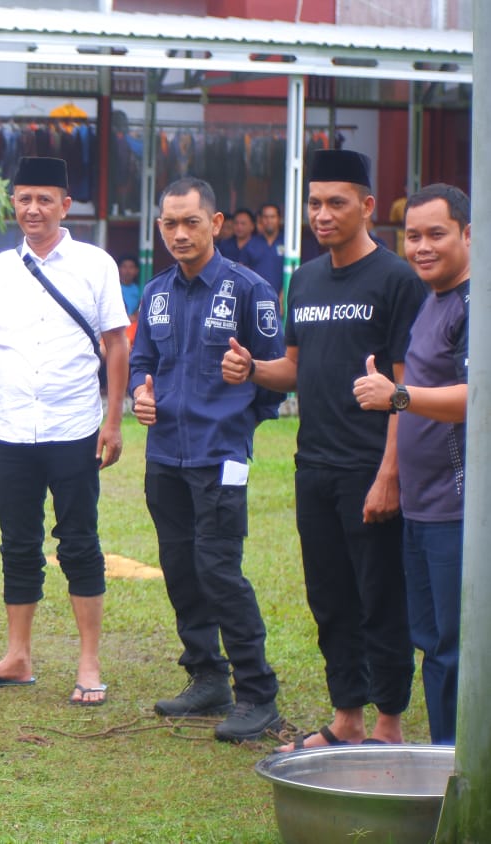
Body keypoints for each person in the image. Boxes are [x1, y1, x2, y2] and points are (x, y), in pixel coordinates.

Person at [222, 149, 425, 751]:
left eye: (337, 203)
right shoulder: (304, 279)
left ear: (366, 206)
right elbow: (293, 369)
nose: (322, 214)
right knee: (330, 597)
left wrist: (390, 473)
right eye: (314, 203)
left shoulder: (397, 280)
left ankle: (388, 725)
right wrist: (250, 368)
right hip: (313, 466)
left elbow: (403, 384)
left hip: (372, 466)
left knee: (379, 597)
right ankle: (347, 718)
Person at [0, 156, 127, 706]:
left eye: (44, 198)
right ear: (13, 202)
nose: (32, 208)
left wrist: (113, 421)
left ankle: (88, 662)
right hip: (11, 428)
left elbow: (117, 344)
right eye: (23, 198)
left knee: (80, 542)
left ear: (65, 205)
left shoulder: (95, 264)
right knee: (18, 543)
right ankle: (18, 655)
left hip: (75, 425)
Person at [131, 177, 287, 742]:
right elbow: (141, 361)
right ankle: (206, 677)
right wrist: (140, 394)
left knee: (219, 571)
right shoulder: (155, 293)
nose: (179, 233)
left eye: (190, 222)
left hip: (221, 455)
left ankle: (257, 692)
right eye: (169, 223)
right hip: (164, 455)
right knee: (179, 568)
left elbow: (277, 376)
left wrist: (239, 407)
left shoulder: (250, 290)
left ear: (215, 224)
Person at [351, 183, 470, 745]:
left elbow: (478, 396)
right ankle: (444, 759)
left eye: (436, 234)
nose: (422, 247)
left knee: (455, 645)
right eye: (413, 236)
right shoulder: (432, 301)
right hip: (423, 506)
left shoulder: (474, 306)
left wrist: (398, 395)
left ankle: (457, 769)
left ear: (469, 235)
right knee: (431, 640)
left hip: (461, 507)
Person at [254, 202, 287, 293]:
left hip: (282, 297)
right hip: (257, 296)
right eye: (266, 217)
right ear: (260, 220)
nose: (269, 220)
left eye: (272, 217)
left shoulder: (287, 242)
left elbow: (294, 271)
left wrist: (283, 297)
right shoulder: (252, 243)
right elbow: (243, 273)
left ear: (279, 219)